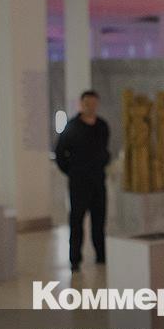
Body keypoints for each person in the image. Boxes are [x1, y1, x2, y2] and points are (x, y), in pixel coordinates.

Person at [54, 90, 111, 273]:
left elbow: (105, 150)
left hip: (98, 181)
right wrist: (72, 171)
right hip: (79, 182)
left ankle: (101, 255)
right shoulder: (72, 127)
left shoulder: (102, 126)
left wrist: (103, 161)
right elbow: (60, 153)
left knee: (99, 220)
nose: (90, 107)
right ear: (82, 104)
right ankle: (75, 259)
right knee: (77, 220)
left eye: (93, 103)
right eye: (87, 103)